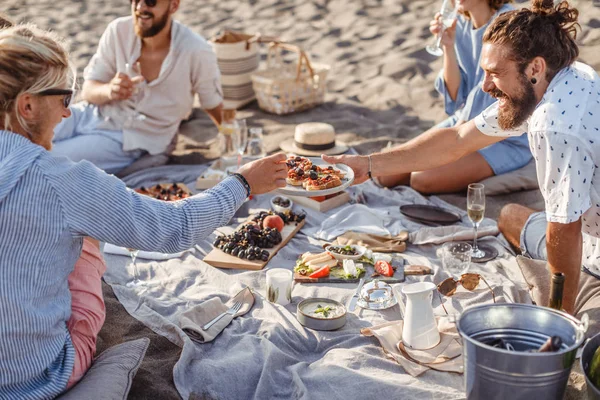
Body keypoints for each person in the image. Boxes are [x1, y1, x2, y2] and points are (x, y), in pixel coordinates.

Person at [0, 24, 286, 398]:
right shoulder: (62, 181)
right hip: (34, 376)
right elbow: (173, 228)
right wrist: (244, 183)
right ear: (27, 106)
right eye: (65, 99)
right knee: (85, 239)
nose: (68, 113)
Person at [325, 0, 600, 319]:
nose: (485, 86)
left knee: (540, 227)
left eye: (494, 74)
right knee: (509, 214)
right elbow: (457, 139)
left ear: (535, 68)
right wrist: (370, 164)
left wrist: (558, 322)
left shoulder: (556, 125)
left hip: (592, 249)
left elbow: (564, 230)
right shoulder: (567, 78)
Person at [52, 0, 225, 174]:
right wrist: (109, 90)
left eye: (151, 2)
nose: (140, 7)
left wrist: (231, 139)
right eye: (135, 0)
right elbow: (88, 90)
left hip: (132, 139)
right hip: (88, 114)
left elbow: (212, 103)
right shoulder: (118, 30)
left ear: (174, 6)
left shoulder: (196, 50)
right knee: (26, 134)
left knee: (50, 158)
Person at [377, 0, 532, 194]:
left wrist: (450, 138)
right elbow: (457, 96)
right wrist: (448, 47)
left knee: (421, 179)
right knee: (386, 174)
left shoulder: (506, 24)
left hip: (504, 135)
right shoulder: (461, 22)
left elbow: (495, 91)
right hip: (465, 120)